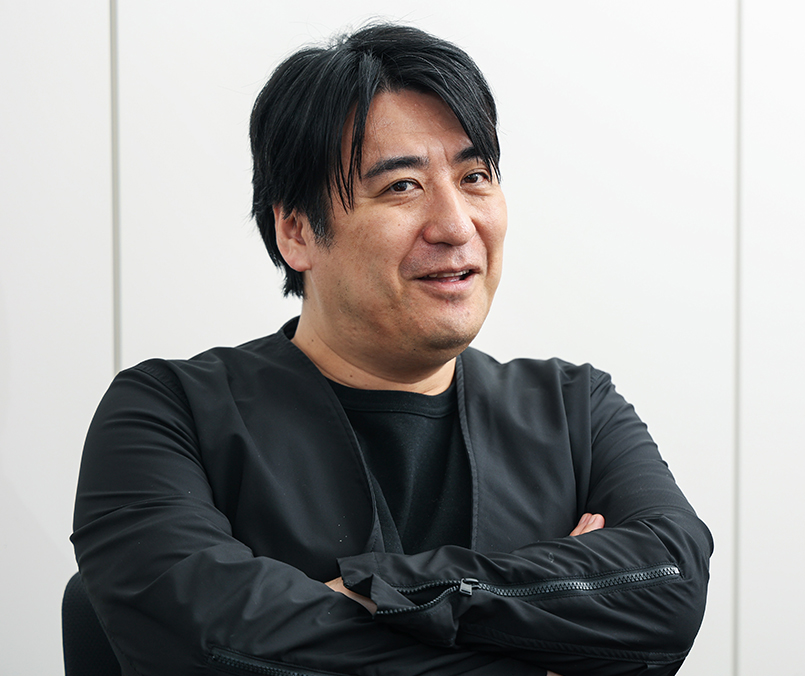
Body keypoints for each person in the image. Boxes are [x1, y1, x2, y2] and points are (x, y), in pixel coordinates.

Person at [72, 23, 713, 676]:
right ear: (297, 231)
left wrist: (375, 593)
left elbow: (672, 585)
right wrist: (546, 635)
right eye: (402, 185)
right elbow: (210, 646)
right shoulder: (169, 413)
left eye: (475, 176)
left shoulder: (575, 410)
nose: (456, 224)